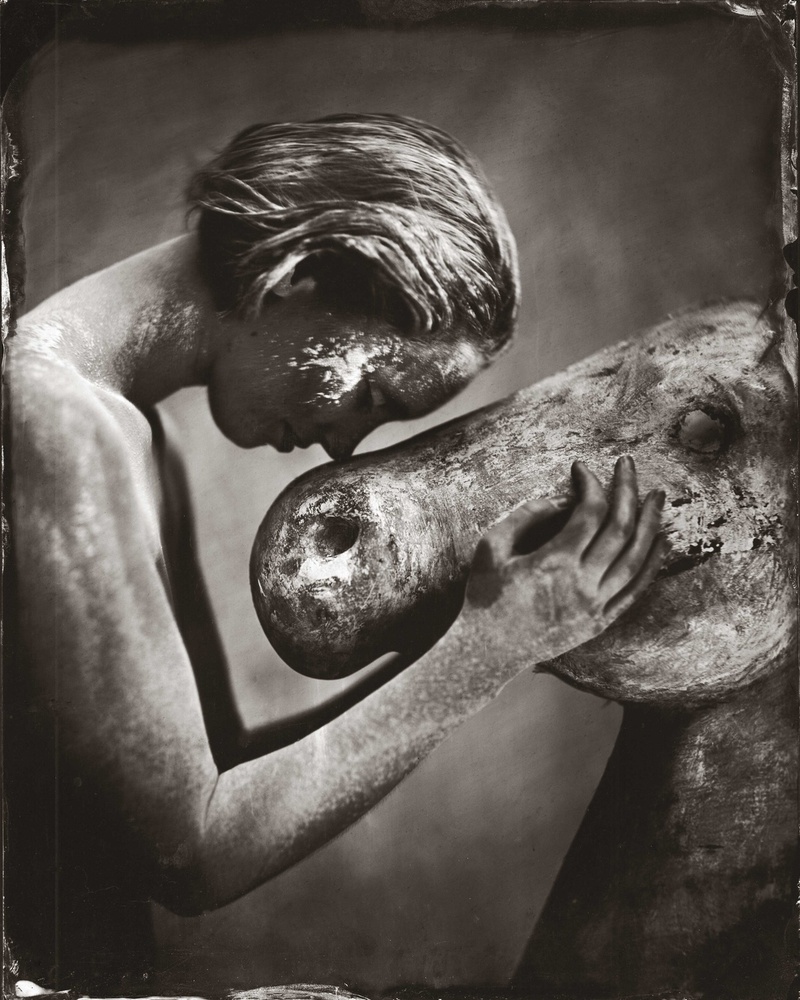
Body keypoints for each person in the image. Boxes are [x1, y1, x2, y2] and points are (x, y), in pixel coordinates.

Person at [4, 113, 667, 994]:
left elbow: (219, 768)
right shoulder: (58, 428)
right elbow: (192, 851)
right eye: (376, 394)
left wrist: (469, 625)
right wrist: (486, 653)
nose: (346, 446)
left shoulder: (128, 433)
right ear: (298, 275)